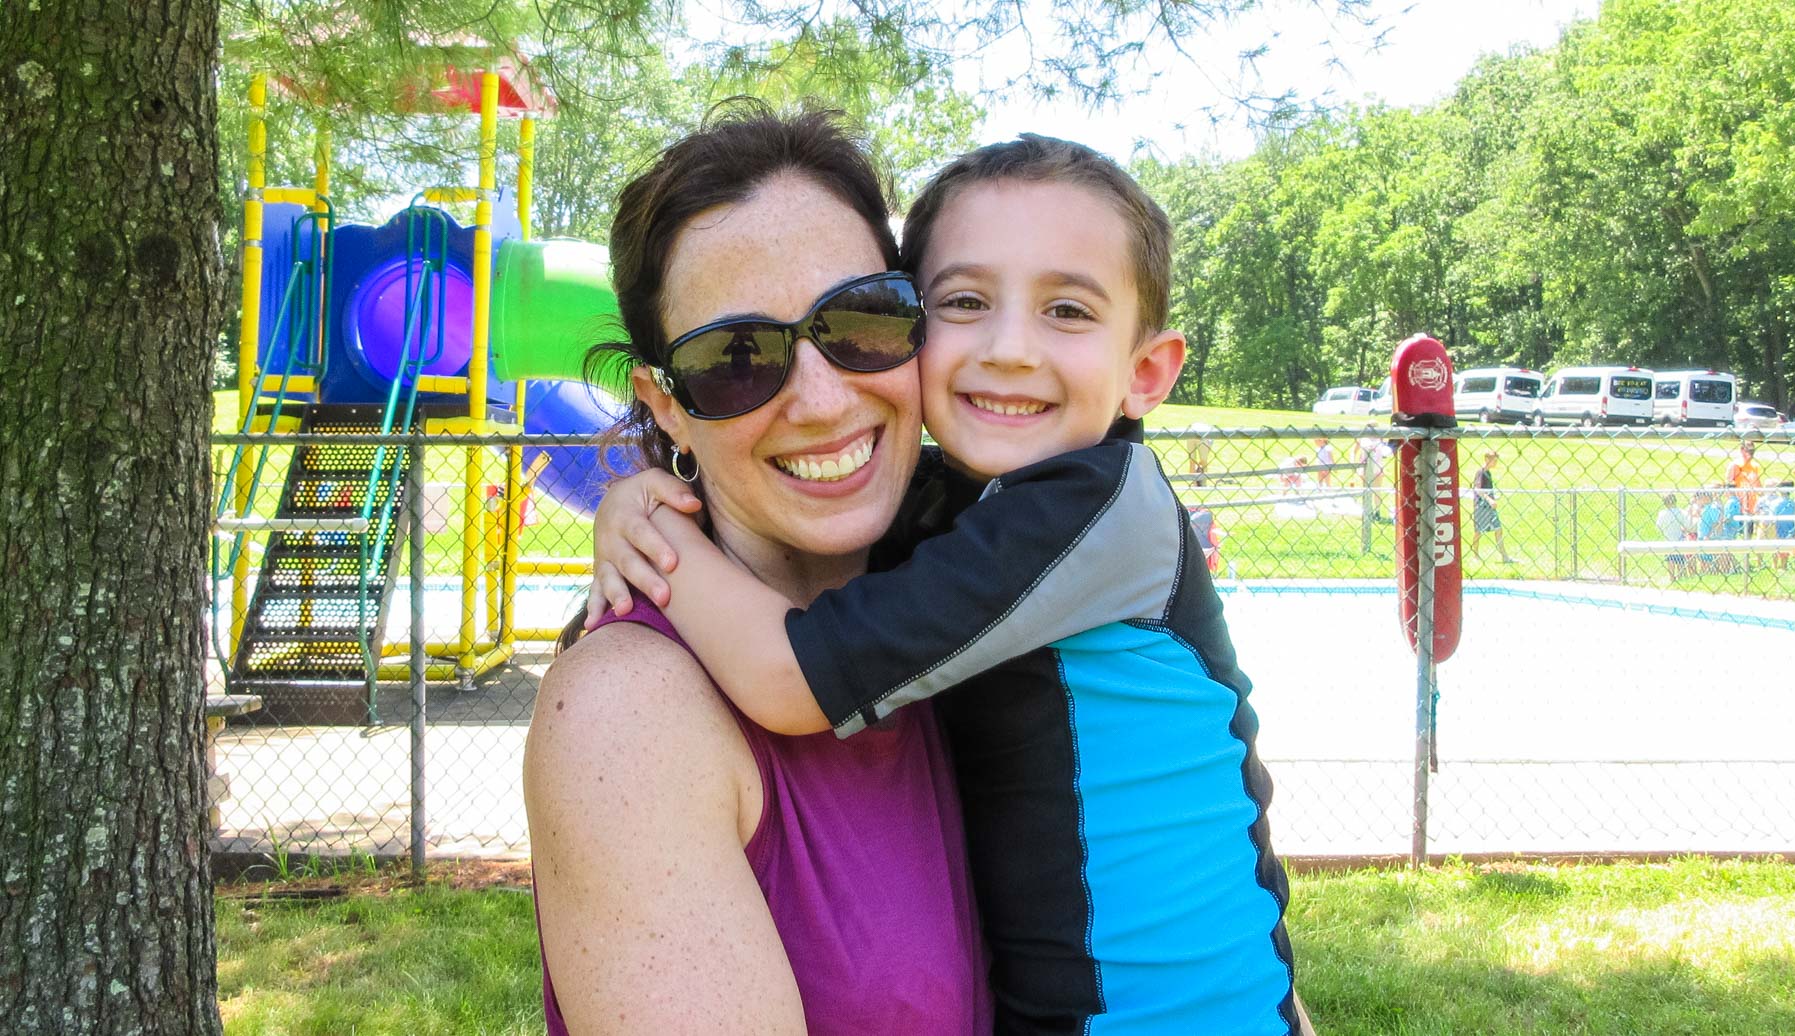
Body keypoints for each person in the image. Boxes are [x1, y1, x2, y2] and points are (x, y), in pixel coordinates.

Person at [595, 135, 1308, 1034]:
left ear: (1147, 372)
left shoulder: (1095, 505)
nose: (1010, 349)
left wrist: (654, 534)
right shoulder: (957, 508)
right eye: (965, 302)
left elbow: (789, 679)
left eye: (1069, 311)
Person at [523, 108, 989, 1035]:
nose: (821, 399)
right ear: (667, 405)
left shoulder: (968, 599)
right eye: (736, 361)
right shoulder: (630, 715)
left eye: (862, 319)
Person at [1470, 449, 1515, 564]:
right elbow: (1478, 489)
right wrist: (1490, 500)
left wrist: (1494, 498)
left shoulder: (1488, 473)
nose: (1495, 463)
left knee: (1498, 529)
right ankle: (1475, 555)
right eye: (1494, 460)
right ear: (1487, 459)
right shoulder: (1481, 472)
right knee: (1478, 531)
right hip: (1481, 507)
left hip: (1490, 508)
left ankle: (1505, 556)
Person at [1724, 439, 1762, 535]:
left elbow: (1758, 484)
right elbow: (1728, 484)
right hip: (1739, 503)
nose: (1751, 454)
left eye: (1753, 451)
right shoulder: (1735, 465)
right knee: (1735, 531)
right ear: (1742, 450)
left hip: (1751, 504)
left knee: (1748, 531)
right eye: (1748, 451)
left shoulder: (1755, 466)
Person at [1655, 492, 1689, 580]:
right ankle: (1681, 575)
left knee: (1670, 560)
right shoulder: (1681, 512)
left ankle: (1671, 577)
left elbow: (1658, 526)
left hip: (1668, 539)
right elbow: (1686, 524)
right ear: (1675, 501)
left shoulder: (1662, 513)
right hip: (1680, 538)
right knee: (1681, 559)